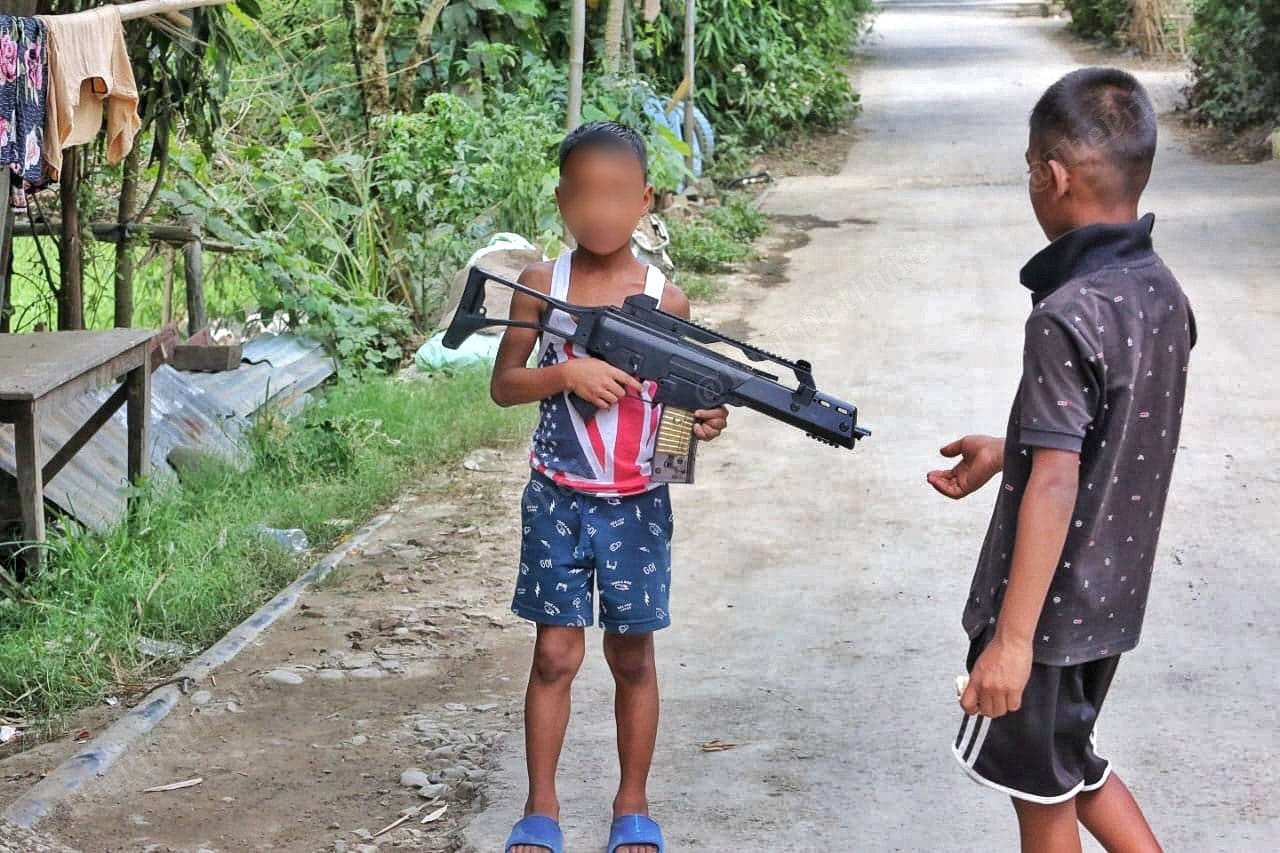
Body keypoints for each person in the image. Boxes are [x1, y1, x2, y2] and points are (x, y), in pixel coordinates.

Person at [927, 67, 1195, 853]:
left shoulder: (1065, 312)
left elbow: (1059, 474)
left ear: (1053, 176)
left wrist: (1011, 642)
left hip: (1047, 611)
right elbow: (1113, 431)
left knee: (1039, 794)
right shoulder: (1162, 291)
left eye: (1028, 172)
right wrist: (1008, 449)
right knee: (1072, 768)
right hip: (1109, 600)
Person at [490, 120, 730, 853]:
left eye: (618, 193)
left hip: (635, 507)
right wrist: (566, 372)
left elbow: (677, 413)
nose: (600, 209)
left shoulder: (667, 298)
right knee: (554, 656)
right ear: (561, 200)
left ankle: (633, 804)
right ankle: (541, 808)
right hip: (557, 497)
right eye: (585, 194)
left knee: (632, 658)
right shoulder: (540, 285)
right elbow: (504, 385)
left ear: (645, 200)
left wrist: (697, 420)